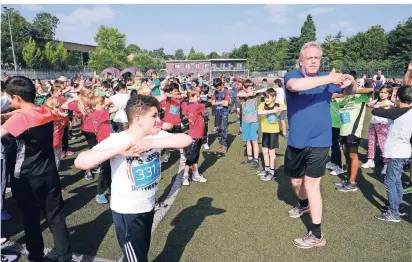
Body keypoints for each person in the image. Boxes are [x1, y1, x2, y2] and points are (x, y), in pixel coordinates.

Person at [74, 94, 192, 262]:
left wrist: (149, 144)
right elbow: (81, 161)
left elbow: (186, 139)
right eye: (154, 115)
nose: (158, 120)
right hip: (127, 212)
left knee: (141, 251)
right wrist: (118, 151)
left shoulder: (155, 136)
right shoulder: (119, 139)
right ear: (138, 119)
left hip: (148, 205)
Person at [284, 41, 357, 249]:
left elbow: (349, 91)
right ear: (301, 60)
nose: (314, 61)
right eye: (310, 58)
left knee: (311, 184)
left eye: (317, 57)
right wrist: (329, 78)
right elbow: (295, 86)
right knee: (296, 183)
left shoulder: (327, 79)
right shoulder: (292, 75)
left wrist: (350, 81)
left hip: (320, 141)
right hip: (297, 141)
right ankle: (303, 204)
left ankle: (316, 234)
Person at [1, 76, 72, 262]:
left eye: (8, 97)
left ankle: (36, 256)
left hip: (26, 178)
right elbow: (25, 115)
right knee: (56, 218)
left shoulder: (21, 119)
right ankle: (65, 256)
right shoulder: (45, 110)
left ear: (16, 98)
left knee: (31, 219)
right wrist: (7, 115)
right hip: (48, 172)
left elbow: (9, 127)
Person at [371, 86, 412, 222]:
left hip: (397, 152)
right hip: (403, 151)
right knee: (396, 180)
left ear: (398, 98)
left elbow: (376, 111)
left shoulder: (399, 112)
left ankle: (393, 212)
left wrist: (384, 104)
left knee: (389, 181)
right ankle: (397, 207)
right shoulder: (408, 111)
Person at [362, 85, 394, 173]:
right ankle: (370, 160)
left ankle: (387, 164)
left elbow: (375, 105)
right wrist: (372, 104)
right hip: (373, 123)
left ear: (389, 94)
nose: (382, 94)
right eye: (381, 92)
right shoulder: (376, 100)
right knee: (371, 142)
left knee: (382, 144)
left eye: (385, 93)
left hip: (383, 125)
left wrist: (374, 105)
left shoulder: (389, 102)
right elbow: (368, 104)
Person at [181, 90, 210, 186]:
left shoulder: (187, 105)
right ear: (191, 98)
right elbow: (208, 104)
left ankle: (195, 174)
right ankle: (185, 176)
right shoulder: (196, 106)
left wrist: (185, 97)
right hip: (195, 135)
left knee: (195, 156)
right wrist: (212, 99)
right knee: (190, 157)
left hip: (197, 135)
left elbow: (183, 105)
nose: (199, 98)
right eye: (197, 96)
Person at [257, 88, 286, 181]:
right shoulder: (262, 104)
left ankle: (272, 172)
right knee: (265, 152)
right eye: (265, 97)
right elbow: (259, 112)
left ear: (273, 97)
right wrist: (272, 111)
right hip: (265, 131)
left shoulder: (277, 104)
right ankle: (267, 169)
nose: (266, 99)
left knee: (271, 153)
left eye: (268, 97)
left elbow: (286, 107)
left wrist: (279, 108)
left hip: (273, 132)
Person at [237, 79, 267, 169]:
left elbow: (265, 89)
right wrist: (247, 94)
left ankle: (256, 159)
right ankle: (250, 158)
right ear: (245, 88)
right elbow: (239, 94)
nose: (252, 89)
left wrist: (254, 92)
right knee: (248, 141)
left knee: (254, 141)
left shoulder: (255, 93)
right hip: (245, 122)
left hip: (254, 121)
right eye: (250, 88)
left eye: (252, 87)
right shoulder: (242, 94)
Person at [211, 78, 230, 154]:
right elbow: (212, 103)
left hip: (224, 112)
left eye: (218, 87)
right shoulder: (215, 92)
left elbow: (226, 104)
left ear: (221, 85)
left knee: (223, 128)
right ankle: (220, 143)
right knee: (218, 128)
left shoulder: (226, 92)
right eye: (215, 87)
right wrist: (221, 102)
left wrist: (217, 102)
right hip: (217, 113)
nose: (217, 89)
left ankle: (224, 145)